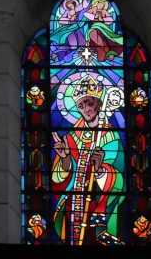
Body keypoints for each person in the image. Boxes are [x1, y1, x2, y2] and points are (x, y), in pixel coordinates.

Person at [51, 74, 125, 245]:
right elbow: (58, 180)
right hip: (73, 207)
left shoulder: (111, 138)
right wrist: (65, 159)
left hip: (97, 205)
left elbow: (120, 180)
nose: (86, 109)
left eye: (90, 103)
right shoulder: (70, 138)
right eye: (81, 105)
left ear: (99, 104)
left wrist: (100, 171)